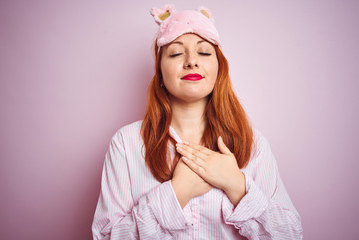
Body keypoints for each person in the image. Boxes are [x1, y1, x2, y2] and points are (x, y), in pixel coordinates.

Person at [92, 5, 303, 239]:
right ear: (160, 73)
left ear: (218, 69)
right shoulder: (126, 143)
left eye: (203, 53)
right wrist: (177, 193)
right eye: (175, 53)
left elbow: (291, 234)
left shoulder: (252, 143)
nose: (192, 61)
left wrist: (236, 185)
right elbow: (105, 236)